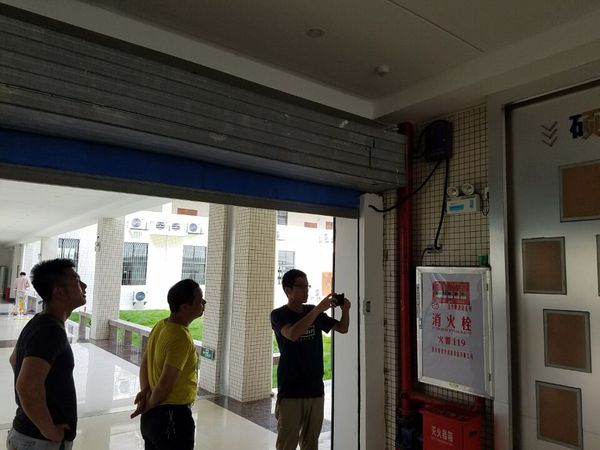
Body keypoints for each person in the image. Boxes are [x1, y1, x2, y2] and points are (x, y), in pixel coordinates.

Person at [7, 259, 87, 450]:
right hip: (39, 441)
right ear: (58, 292)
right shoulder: (50, 330)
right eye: (77, 281)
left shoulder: (40, 321)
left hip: (28, 435)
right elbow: (26, 386)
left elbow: (14, 359)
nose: (84, 286)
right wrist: (49, 430)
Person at [271, 269, 351, 450]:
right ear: (288, 290)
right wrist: (318, 309)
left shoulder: (312, 311)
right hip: (290, 390)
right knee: (287, 444)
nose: (306, 290)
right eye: (301, 286)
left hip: (315, 389)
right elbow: (292, 334)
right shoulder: (278, 315)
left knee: (311, 443)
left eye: (307, 286)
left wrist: (345, 310)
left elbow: (342, 328)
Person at [131, 279, 206, 450]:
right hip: (172, 419)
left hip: (152, 418)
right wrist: (148, 405)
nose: (204, 302)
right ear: (185, 307)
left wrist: (145, 393)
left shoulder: (161, 325)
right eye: (200, 299)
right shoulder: (180, 337)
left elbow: (144, 363)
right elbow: (164, 385)